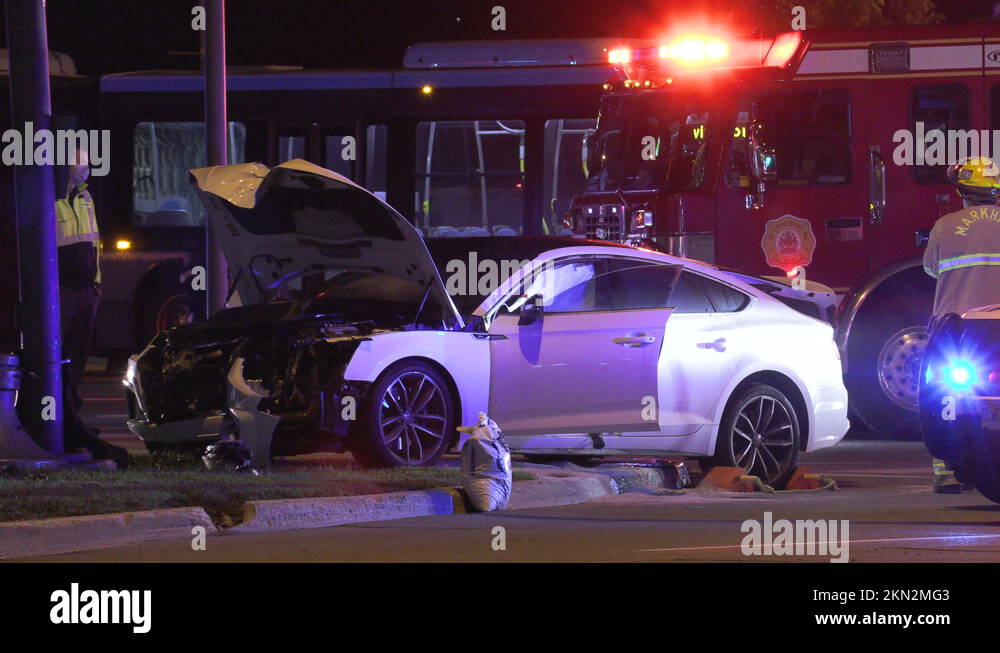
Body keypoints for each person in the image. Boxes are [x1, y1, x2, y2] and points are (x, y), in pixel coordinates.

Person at [922, 155, 1000, 492]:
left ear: (961, 191)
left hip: (956, 327)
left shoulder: (945, 226)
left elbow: (930, 269)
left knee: (941, 392)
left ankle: (945, 468)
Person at [55, 148, 127, 467]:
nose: (83, 170)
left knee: (78, 357)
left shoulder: (85, 198)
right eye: (79, 165)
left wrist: (96, 283)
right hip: (62, 291)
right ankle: (63, 420)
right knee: (59, 358)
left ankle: (74, 418)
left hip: (85, 291)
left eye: (85, 165)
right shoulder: (52, 199)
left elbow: (94, 244)